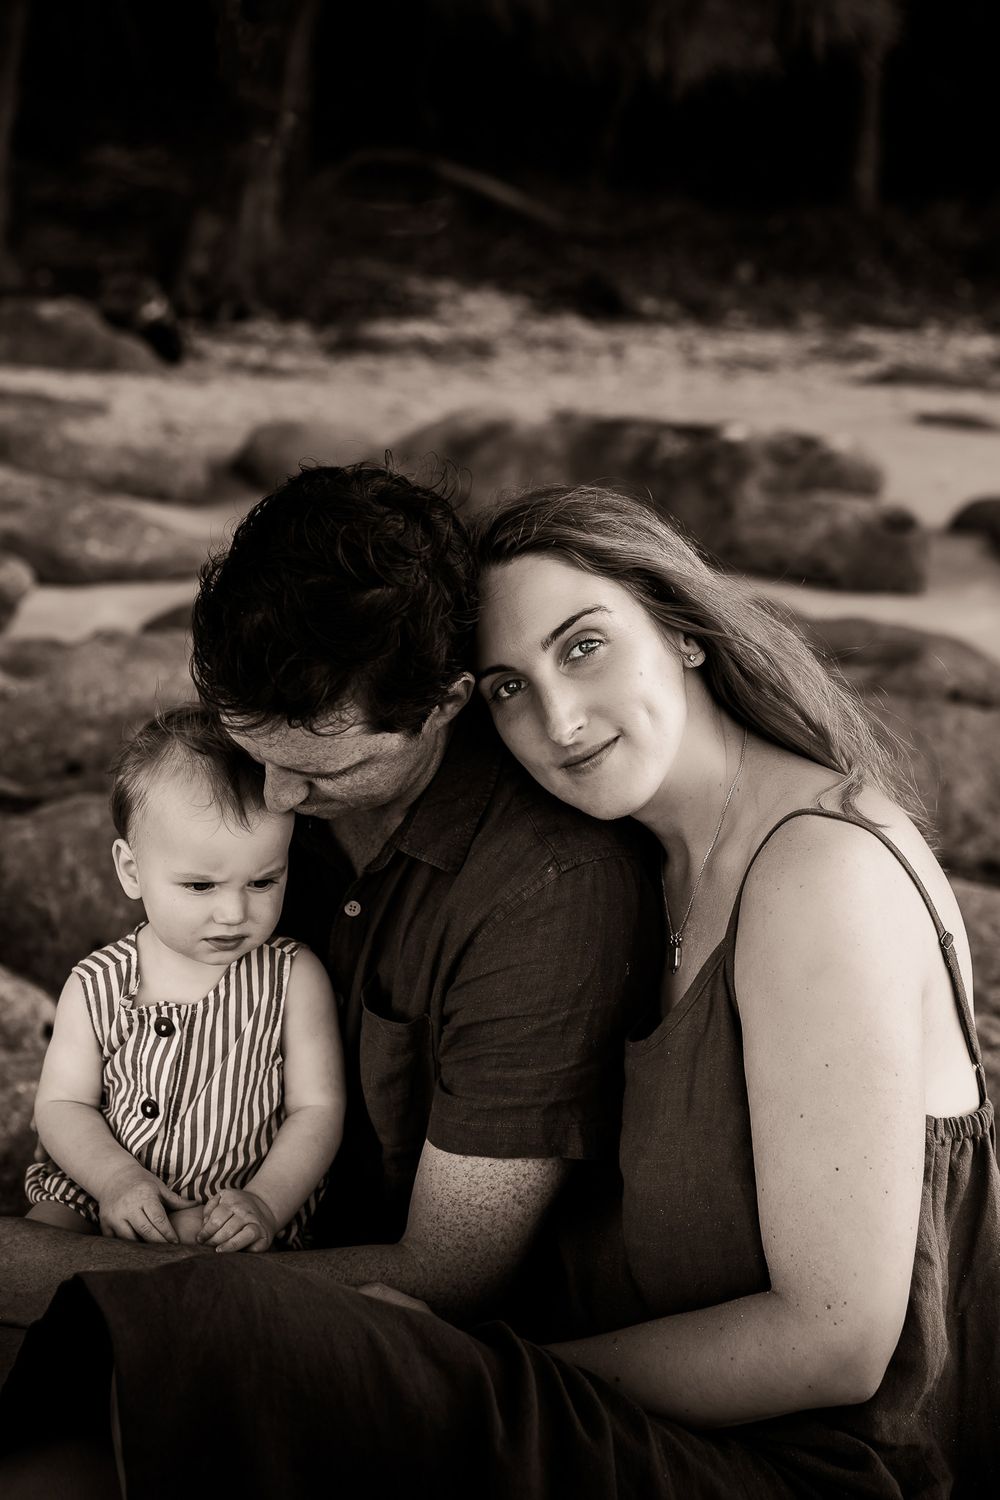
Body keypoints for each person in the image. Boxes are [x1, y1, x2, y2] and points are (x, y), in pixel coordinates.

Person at [3, 481, 995, 1499]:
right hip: (606, 1391)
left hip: (799, 1463)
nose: (558, 719)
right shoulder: (652, 850)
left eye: (584, 646)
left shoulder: (816, 876)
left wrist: (473, 1371)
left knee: (232, 1342)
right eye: (510, 684)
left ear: (686, 630)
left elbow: (835, 1345)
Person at [0, 463, 660, 1347]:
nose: (271, 798)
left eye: (321, 769)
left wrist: (41, 1274)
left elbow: (456, 1270)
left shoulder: (545, 890)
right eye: (250, 748)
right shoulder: (256, 771)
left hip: (398, 1342)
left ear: (444, 706)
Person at [24, 705, 345, 1254]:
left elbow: (316, 1109)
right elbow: (61, 1106)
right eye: (200, 886)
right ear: (132, 871)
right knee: (32, 1250)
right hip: (96, 1192)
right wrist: (115, 1182)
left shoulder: (293, 977)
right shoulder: (96, 983)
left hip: (233, 1207)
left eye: (264, 881)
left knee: (216, 1288)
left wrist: (266, 1201)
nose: (233, 913)